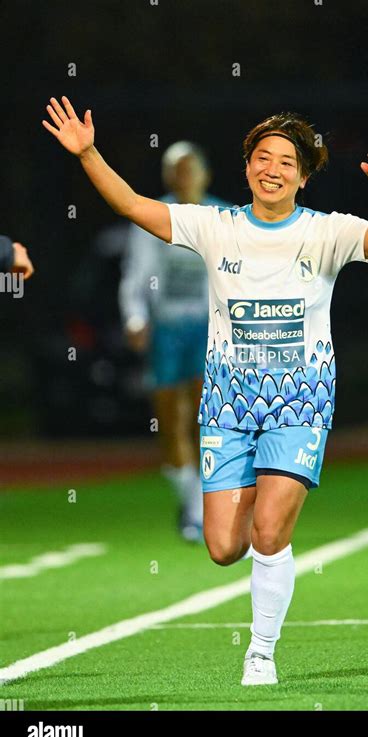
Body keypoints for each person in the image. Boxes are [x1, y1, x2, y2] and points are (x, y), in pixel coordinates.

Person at [42, 96, 368, 686]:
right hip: (228, 404)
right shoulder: (215, 225)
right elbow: (135, 205)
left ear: (304, 174)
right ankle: (260, 544)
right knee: (222, 546)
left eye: (286, 161)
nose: (272, 168)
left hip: (301, 400)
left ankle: (261, 652)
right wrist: (88, 153)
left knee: (269, 530)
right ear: (246, 168)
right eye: (262, 158)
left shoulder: (327, 232)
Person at [118, 142, 232, 542]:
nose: (185, 178)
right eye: (177, 171)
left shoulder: (222, 216)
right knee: (170, 418)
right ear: (168, 178)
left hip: (208, 328)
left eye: (191, 170)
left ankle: (204, 509)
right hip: (167, 328)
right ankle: (191, 503)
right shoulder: (154, 216)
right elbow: (136, 273)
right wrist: (134, 317)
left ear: (206, 174)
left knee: (208, 416)